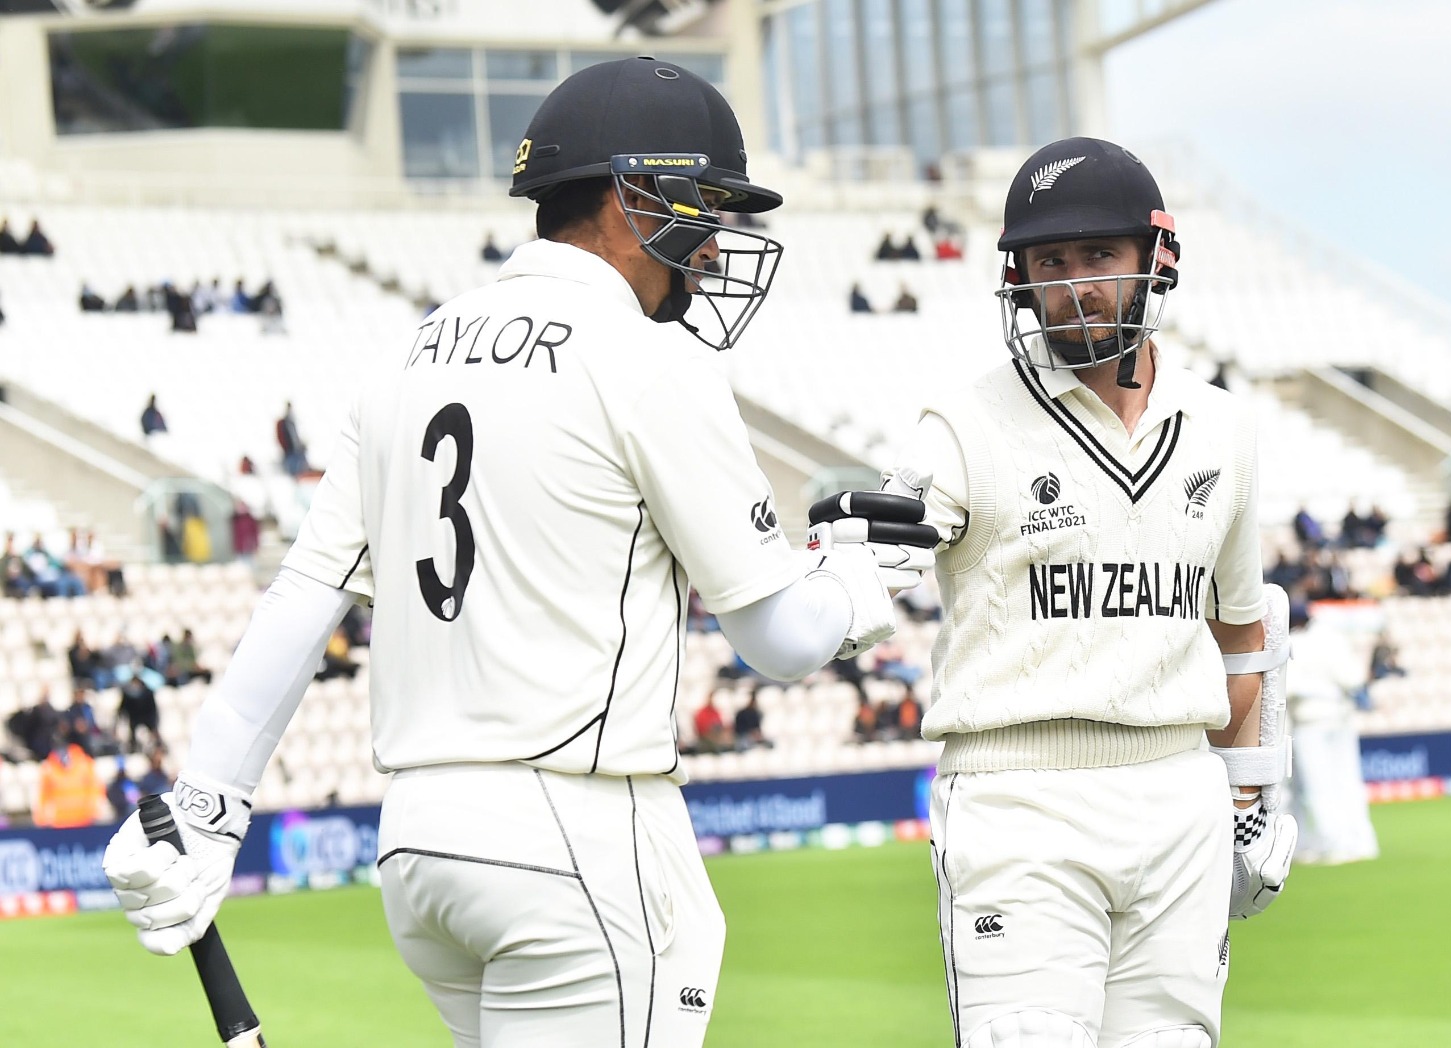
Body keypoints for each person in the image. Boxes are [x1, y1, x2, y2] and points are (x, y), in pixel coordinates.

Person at [101, 57, 920, 1048]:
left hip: (419, 849)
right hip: (575, 832)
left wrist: (209, 807)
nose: (711, 245)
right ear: (629, 201)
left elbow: (302, 597)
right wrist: (858, 576)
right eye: (701, 206)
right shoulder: (651, 360)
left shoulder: (401, 359)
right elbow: (780, 639)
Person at [868, 138, 1295, 1048]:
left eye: (1098, 257)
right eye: (1049, 262)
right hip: (1019, 796)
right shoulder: (962, 425)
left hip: (1179, 792)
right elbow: (888, 548)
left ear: (1153, 262)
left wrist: (1247, 800)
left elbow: (1244, 636)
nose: (1073, 285)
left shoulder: (1222, 426)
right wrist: (850, 569)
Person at [1286, 605, 1378, 865]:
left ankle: (1335, 845)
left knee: (1319, 787)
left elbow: (1288, 687)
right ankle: (1360, 842)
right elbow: (1353, 677)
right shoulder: (1333, 637)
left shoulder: (1293, 643)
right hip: (1341, 715)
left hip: (1310, 721)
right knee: (1347, 781)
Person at [276, 401, 308, 475]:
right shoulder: (282, 423)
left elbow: (295, 438)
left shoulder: (292, 422)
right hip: (289, 453)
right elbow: (281, 438)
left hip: (296, 451)